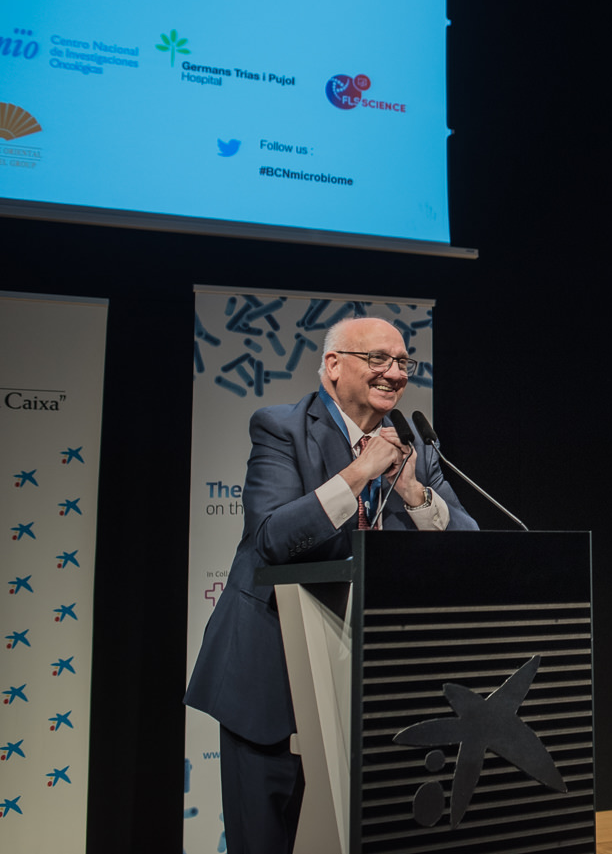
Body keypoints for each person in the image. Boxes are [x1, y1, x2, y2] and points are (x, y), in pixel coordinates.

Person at [185, 316, 478, 853]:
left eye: (402, 362)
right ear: (333, 366)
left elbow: (468, 541)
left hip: (370, 691)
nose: (394, 373)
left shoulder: (414, 444)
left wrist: (413, 493)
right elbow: (272, 537)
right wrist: (360, 473)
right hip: (271, 678)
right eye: (378, 360)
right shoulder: (280, 427)